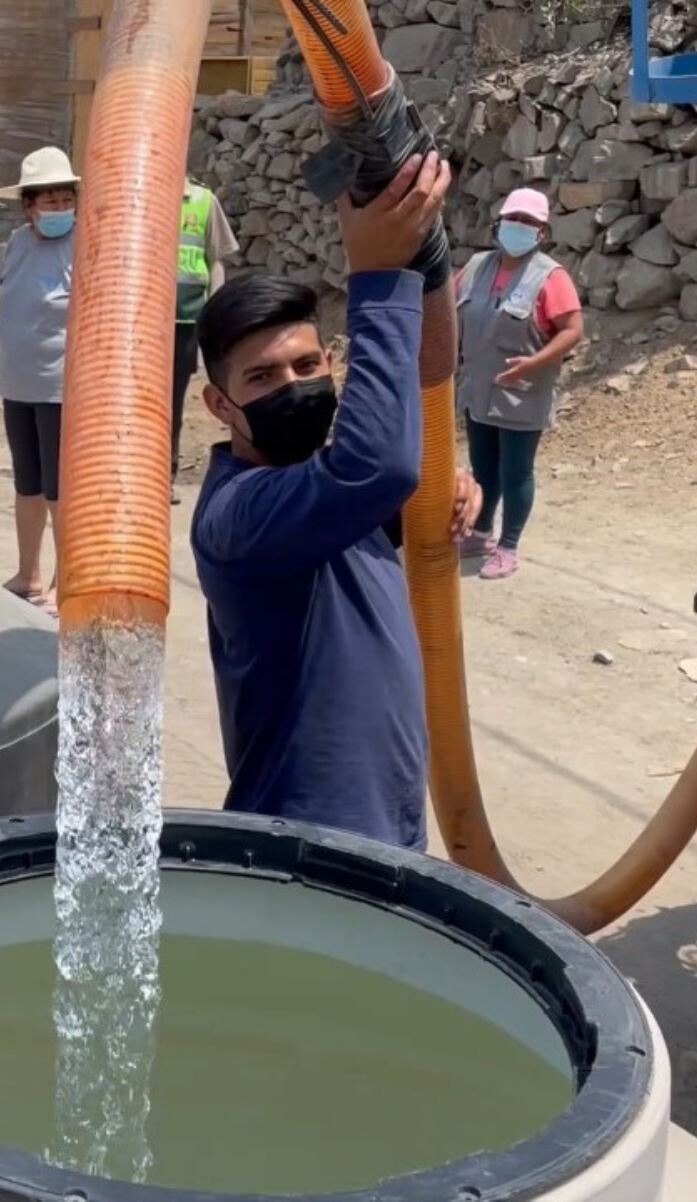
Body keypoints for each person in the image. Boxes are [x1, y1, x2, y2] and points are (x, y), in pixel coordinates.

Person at [190, 152, 453, 849]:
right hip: (307, 847)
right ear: (219, 404)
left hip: (382, 824)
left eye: (307, 365)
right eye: (263, 377)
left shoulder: (324, 488)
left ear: (330, 364)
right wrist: (376, 278)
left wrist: (435, 497)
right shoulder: (239, 517)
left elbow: (383, 484)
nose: (294, 385)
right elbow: (377, 467)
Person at [454, 187, 585, 580]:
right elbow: (448, 306)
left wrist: (533, 364)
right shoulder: (477, 266)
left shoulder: (551, 276)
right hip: (479, 387)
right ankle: (480, 533)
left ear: (542, 232)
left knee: (516, 471)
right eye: (514, 219)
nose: (519, 227)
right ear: (499, 223)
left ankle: (508, 546)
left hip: (522, 392)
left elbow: (572, 330)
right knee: (483, 466)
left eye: (529, 222)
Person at [0, 146, 79, 617]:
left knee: (61, 491)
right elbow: (2, 308)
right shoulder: (18, 242)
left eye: (64, 199)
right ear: (28, 206)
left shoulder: (86, 244)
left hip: (63, 387)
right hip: (17, 383)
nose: (58, 209)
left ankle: (65, 582)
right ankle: (28, 574)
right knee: (28, 485)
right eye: (48, 201)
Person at [170, 175, 239, 501]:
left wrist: (216, 311)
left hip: (185, 320)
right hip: (140, 319)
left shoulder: (202, 200)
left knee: (171, 403)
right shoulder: (139, 192)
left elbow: (216, 261)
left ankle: (163, 476)